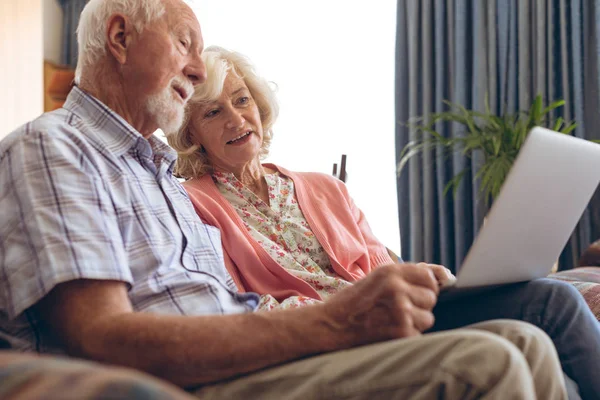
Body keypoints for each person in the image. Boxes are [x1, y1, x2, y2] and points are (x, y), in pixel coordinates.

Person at [0, 0, 569, 399]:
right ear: (121, 39)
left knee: (526, 340)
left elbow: (229, 304)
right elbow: (102, 338)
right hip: (191, 382)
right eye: (185, 45)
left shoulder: (152, 172)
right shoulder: (53, 146)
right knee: (487, 361)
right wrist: (335, 322)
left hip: (243, 359)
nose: (197, 71)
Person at [168, 46, 600, 399]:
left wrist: (422, 276)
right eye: (212, 113)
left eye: (242, 100)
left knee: (551, 297)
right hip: (332, 331)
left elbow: (381, 268)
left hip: (395, 313)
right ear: (191, 134)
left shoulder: (324, 186)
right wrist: (339, 308)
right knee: (551, 303)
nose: (236, 119)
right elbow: (229, 306)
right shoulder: (192, 204)